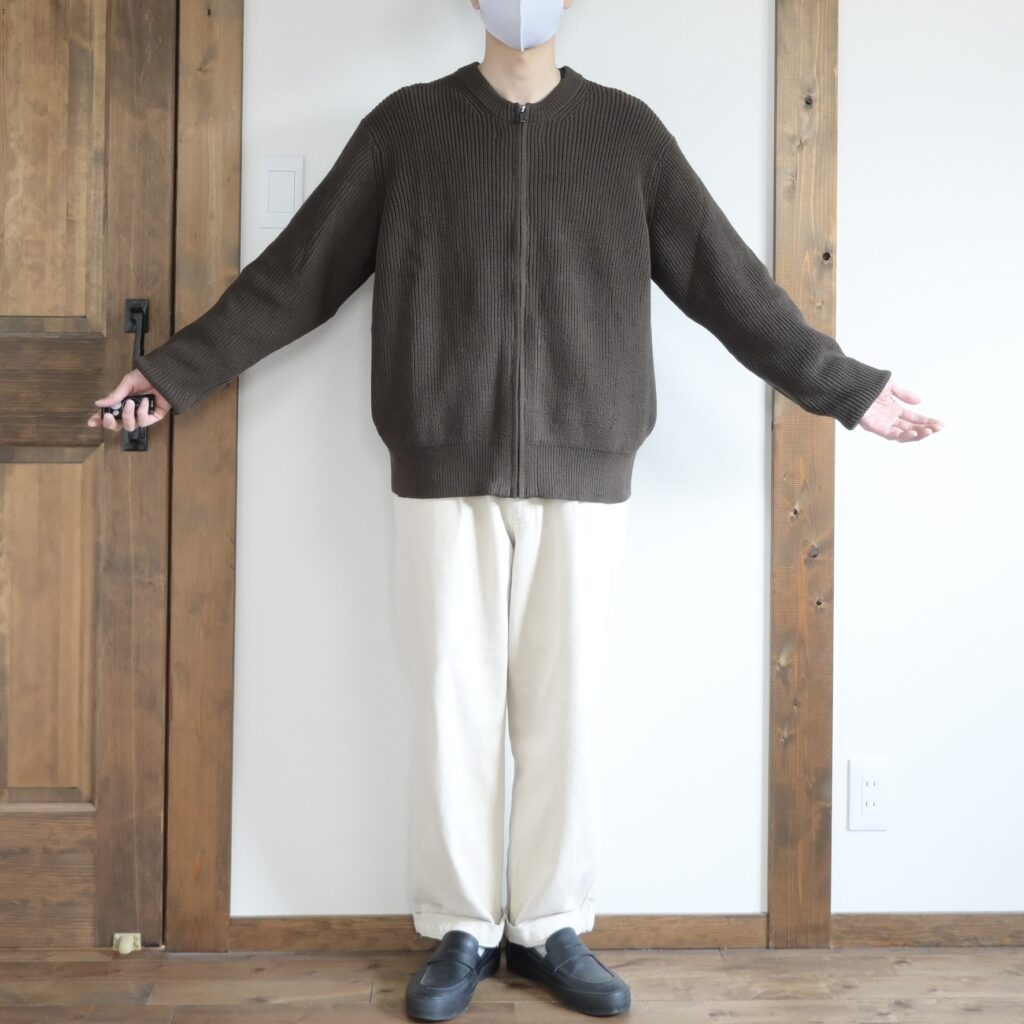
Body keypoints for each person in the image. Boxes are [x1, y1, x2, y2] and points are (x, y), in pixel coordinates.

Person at [88, 0, 944, 1019]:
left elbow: (729, 282)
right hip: (440, 458)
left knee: (564, 707)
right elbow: (295, 276)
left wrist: (846, 388)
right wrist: (171, 375)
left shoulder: (626, 133)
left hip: (587, 459)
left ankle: (548, 924)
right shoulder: (406, 127)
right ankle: (462, 924)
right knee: (451, 703)